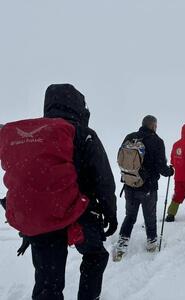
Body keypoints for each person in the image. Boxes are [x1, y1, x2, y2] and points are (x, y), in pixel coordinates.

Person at [0, 84, 117, 300]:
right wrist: (111, 213)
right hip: (78, 213)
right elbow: (104, 180)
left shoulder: (34, 136)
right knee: (95, 256)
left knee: (47, 283)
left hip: (38, 217)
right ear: (78, 107)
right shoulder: (83, 134)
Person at [116, 115, 173, 256]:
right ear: (153, 126)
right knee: (149, 216)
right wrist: (170, 171)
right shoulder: (157, 141)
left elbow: (120, 158)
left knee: (130, 216)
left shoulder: (129, 137)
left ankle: (123, 242)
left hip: (129, 184)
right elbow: (161, 166)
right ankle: (152, 242)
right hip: (148, 187)